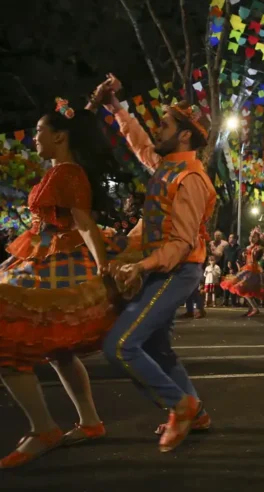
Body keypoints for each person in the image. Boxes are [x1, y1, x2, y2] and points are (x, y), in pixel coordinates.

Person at [0, 99, 131, 467]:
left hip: (57, 261)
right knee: (57, 350)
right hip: (41, 255)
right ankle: (89, 422)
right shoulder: (59, 171)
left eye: (40, 131)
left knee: (7, 339)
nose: (34, 138)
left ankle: (44, 428)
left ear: (59, 136)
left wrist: (104, 266)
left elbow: (83, 221)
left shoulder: (67, 173)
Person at [92, 75, 216, 452]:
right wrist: (116, 108)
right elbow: (140, 144)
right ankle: (197, 411)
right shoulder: (167, 166)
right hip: (162, 267)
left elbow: (181, 244)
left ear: (184, 137)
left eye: (164, 125)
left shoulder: (191, 179)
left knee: (121, 346)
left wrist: (141, 266)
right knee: (159, 351)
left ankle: (180, 405)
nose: (156, 130)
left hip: (177, 270)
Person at [221, 230, 264, 316]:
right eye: (251, 236)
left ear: (258, 238)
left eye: (254, 236)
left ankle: (254, 308)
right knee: (245, 289)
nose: (251, 238)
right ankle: (251, 308)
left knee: (243, 288)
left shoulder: (258, 247)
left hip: (253, 270)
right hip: (247, 268)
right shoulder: (247, 247)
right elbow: (244, 259)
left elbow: (258, 257)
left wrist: (256, 252)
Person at [221, 234, 241, 306]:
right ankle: (225, 300)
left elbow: (238, 259)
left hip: (234, 269)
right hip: (226, 269)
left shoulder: (238, 248)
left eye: (231, 237)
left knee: (233, 285)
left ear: (235, 239)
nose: (229, 239)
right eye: (229, 237)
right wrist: (225, 267)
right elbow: (225, 258)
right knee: (226, 285)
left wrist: (233, 267)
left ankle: (233, 301)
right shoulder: (226, 248)